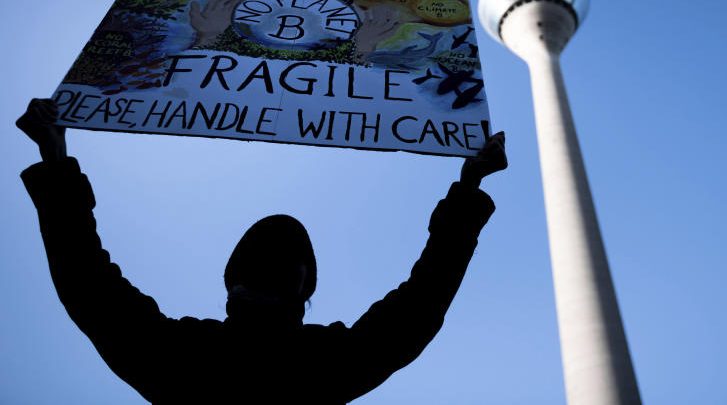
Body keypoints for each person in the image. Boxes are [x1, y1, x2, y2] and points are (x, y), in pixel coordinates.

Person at [17, 98, 507, 404]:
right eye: (260, 257)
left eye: (281, 256)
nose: (269, 262)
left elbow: (420, 305)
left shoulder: (315, 361)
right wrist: (55, 160)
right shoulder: (189, 354)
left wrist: (468, 189)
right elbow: (90, 285)